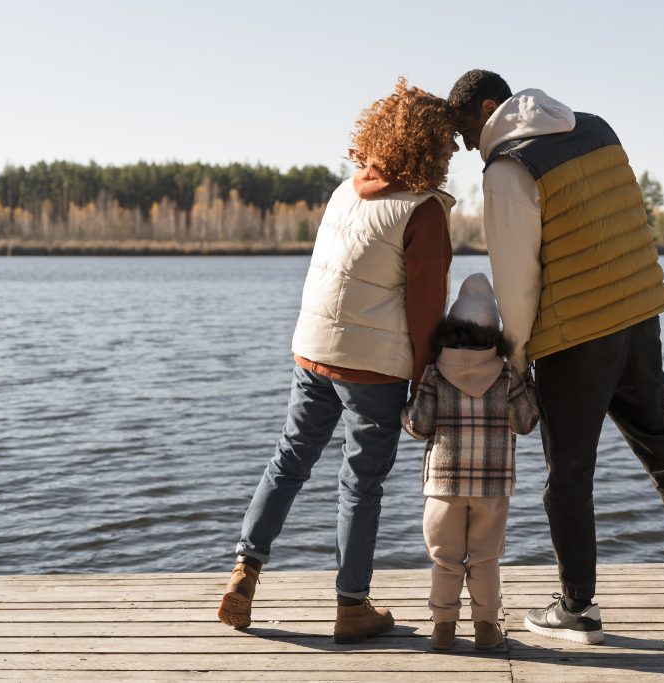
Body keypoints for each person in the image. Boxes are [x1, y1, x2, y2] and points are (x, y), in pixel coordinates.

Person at [446, 69, 664, 645]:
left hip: (575, 336)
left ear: (487, 107)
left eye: (464, 129)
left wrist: (518, 355)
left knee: (568, 477)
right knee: (662, 441)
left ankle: (578, 608)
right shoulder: (598, 130)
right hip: (638, 314)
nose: (463, 144)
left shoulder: (508, 166)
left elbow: (515, 275)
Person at [217, 78, 458, 645]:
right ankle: (352, 607)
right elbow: (427, 314)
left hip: (314, 350)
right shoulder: (422, 211)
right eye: (446, 142)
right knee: (362, 482)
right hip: (374, 366)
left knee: (290, 458)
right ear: (426, 146)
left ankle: (245, 571)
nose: (451, 152)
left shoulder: (343, 191)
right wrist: (428, 380)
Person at [402, 273, 538, 652]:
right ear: (494, 334)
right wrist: (530, 386)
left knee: (445, 561)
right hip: (492, 489)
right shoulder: (507, 374)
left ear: (450, 329)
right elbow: (526, 422)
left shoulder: (434, 372)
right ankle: (485, 627)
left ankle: (443, 628)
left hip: (443, 489)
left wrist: (404, 411)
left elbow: (419, 425)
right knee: (485, 559)